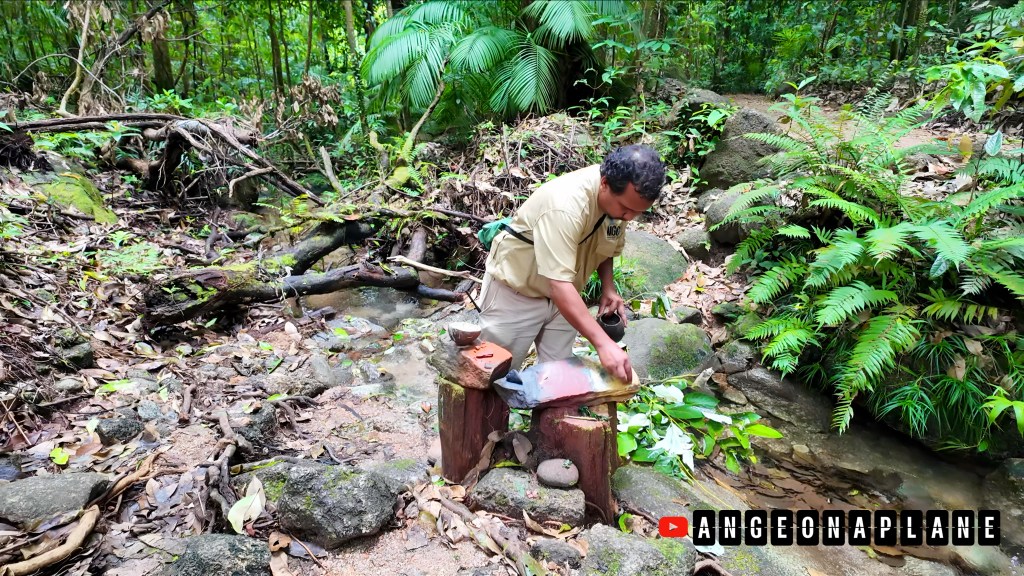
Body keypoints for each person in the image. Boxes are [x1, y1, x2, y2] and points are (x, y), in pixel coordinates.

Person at [478, 145, 666, 384]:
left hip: (566, 298)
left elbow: (607, 245)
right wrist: (603, 344)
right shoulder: (565, 205)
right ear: (604, 183)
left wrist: (608, 287)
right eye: (626, 209)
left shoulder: (621, 202)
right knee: (495, 375)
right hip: (518, 292)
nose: (629, 217)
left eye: (638, 212)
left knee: (558, 379)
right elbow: (558, 285)